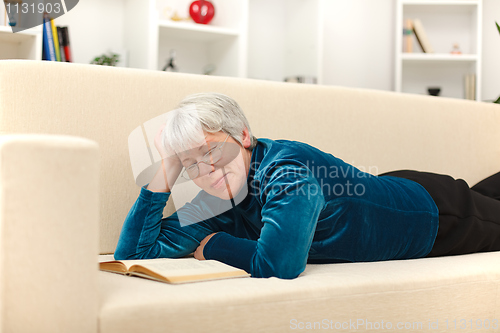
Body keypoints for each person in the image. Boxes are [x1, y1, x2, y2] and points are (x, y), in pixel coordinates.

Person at [114, 92, 500, 279]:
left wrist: (214, 245)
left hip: (434, 213)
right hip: (384, 191)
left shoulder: (286, 171)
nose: (205, 170)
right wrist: (166, 166)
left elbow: (280, 264)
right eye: (190, 164)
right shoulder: (216, 197)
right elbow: (135, 252)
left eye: (210, 151)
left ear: (244, 136)